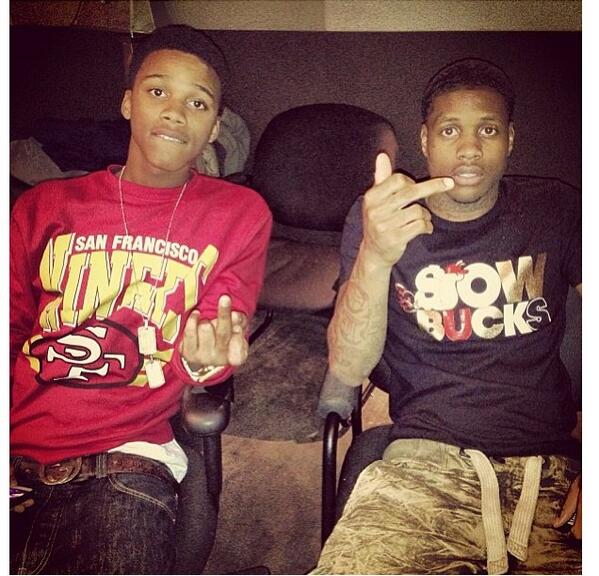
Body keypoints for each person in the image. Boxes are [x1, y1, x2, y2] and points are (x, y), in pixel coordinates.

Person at [10, 24, 272, 574]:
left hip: (128, 459)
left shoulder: (238, 214)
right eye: (158, 92)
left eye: (197, 102)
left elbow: (213, 335)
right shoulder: (43, 205)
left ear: (214, 126)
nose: (175, 113)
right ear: (128, 102)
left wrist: (204, 361)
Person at [314, 58, 581, 574]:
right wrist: (376, 255)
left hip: (551, 472)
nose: (470, 148)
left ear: (511, 139)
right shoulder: (379, 217)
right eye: (450, 130)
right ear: (425, 139)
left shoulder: (556, 209)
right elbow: (347, 367)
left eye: (488, 130)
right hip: (422, 465)